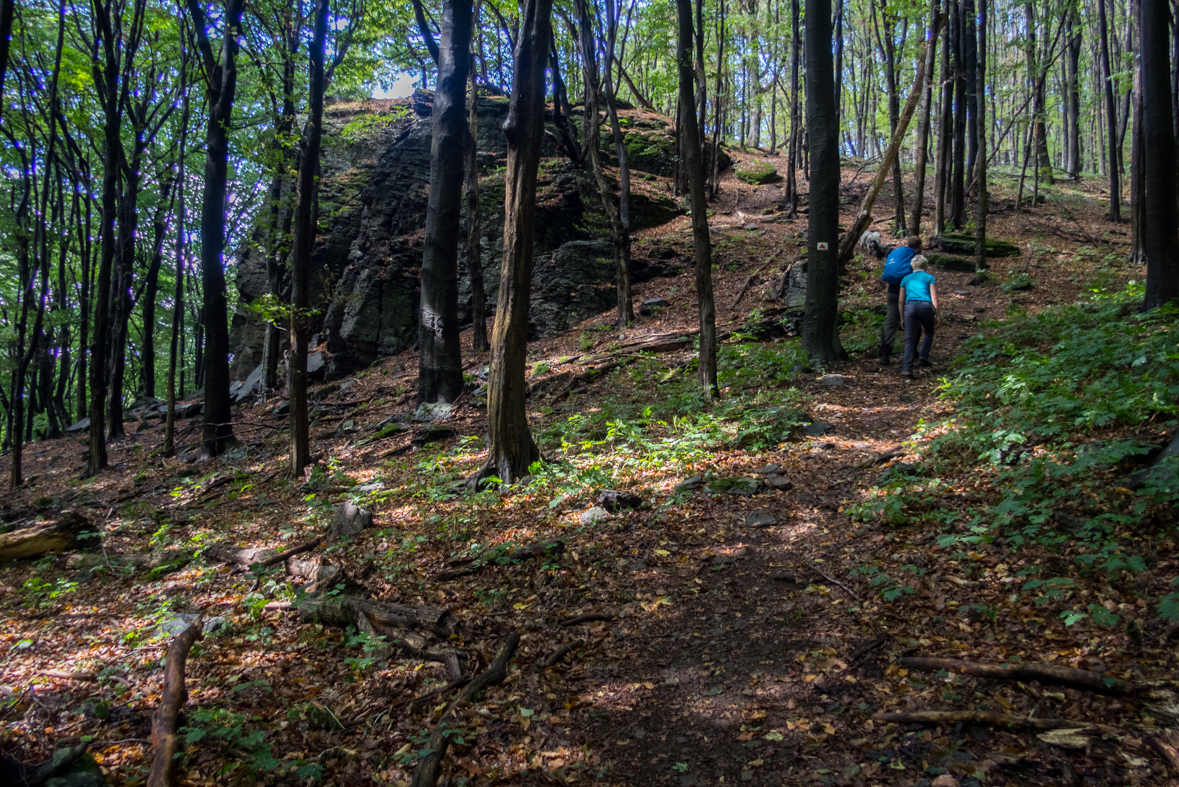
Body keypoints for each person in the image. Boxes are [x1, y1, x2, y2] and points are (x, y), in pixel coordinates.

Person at [877, 235, 922, 366]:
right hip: (908, 291)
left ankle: (884, 355)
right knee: (915, 320)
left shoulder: (895, 252)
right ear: (919, 246)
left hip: (892, 290)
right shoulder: (916, 256)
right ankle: (912, 351)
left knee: (890, 322)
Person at [898, 254, 939, 382]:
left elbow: (900, 300)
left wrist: (902, 317)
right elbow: (934, 298)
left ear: (913, 266)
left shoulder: (906, 278)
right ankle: (923, 357)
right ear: (925, 266)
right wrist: (937, 314)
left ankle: (908, 371)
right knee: (929, 331)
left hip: (910, 308)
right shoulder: (929, 277)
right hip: (925, 307)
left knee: (910, 339)